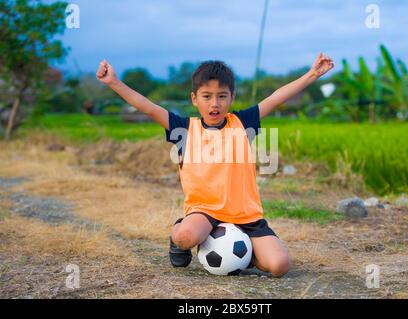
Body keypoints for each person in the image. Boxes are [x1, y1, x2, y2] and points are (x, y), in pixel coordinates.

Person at [96, 54, 334, 277]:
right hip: (204, 212)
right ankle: (178, 235)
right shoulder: (184, 129)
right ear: (194, 99)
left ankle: (243, 255)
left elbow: (276, 98)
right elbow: (147, 107)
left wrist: (312, 74)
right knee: (185, 235)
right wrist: (114, 82)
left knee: (280, 266)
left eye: (222, 96)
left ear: (231, 98)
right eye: (207, 96)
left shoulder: (243, 123)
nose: (215, 103)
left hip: (245, 216)